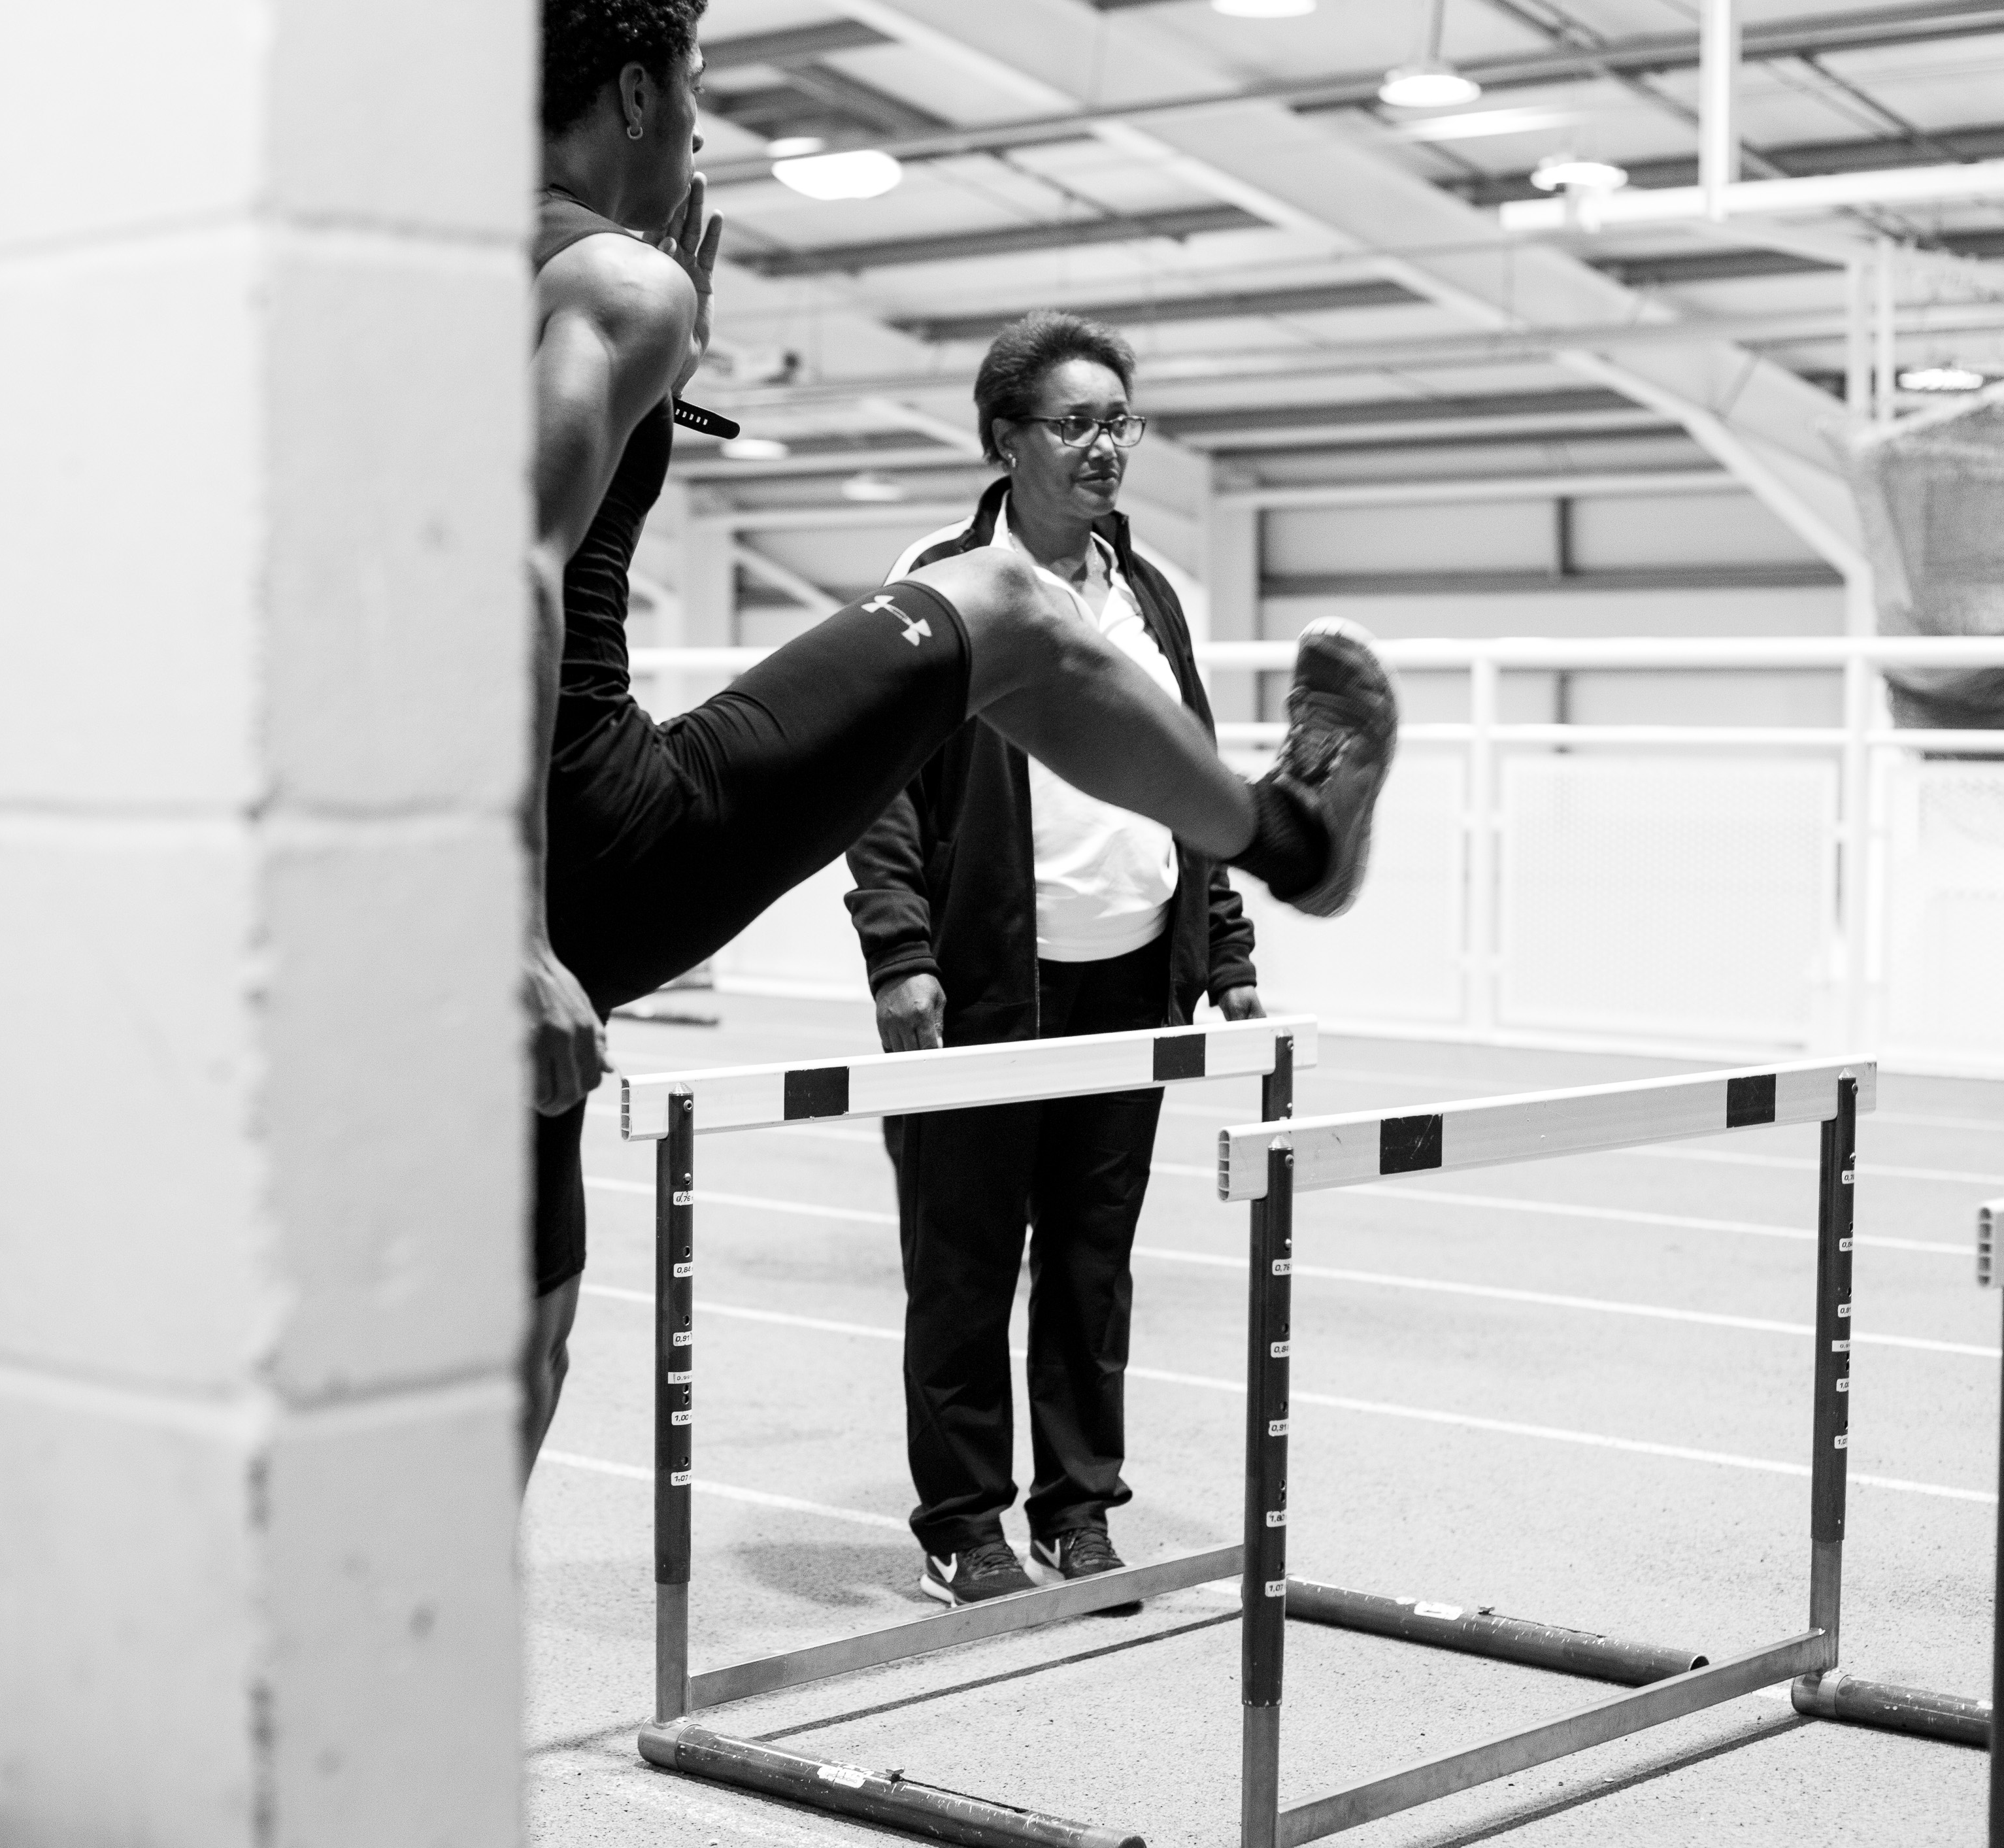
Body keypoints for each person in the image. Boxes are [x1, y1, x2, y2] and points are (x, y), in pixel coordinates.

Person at [523, 0, 1398, 1483]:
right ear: (632, 91)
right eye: (696, 86)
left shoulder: (450, 279)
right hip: (580, 842)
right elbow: (508, 565)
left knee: (520, 1336)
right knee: (1004, 605)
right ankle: (1292, 835)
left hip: (413, 850)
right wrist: (511, 928)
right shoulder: (615, 279)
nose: (703, 127)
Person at [847, 312, 1262, 1607]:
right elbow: (872, 778)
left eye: (1118, 421)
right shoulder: (940, 580)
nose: (1104, 447)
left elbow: (1189, 771)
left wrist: (1226, 949)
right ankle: (962, 1521)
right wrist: (899, 951)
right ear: (1005, 439)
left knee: (1091, 1264)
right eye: (1074, 423)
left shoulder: (1149, 596)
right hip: (983, 986)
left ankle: (1077, 1508)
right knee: (964, 1261)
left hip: (1130, 983)